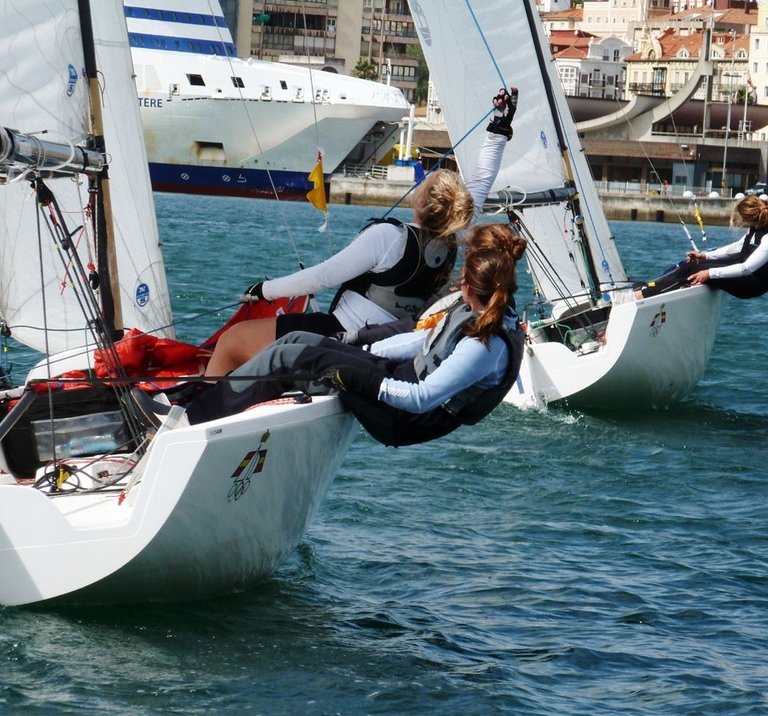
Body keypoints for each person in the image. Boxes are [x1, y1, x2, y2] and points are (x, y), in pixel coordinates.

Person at [203, 87, 519, 377]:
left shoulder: (390, 238)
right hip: (388, 344)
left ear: (422, 200)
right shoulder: (452, 234)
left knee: (232, 342)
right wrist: (499, 129)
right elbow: (479, 184)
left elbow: (323, 277)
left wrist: (264, 290)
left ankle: (197, 413)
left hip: (342, 335)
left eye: (424, 183)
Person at [184, 224, 527, 447]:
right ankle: (203, 407)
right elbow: (421, 343)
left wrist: (357, 376)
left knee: (291, 359)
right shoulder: (477, 311)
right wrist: (359, 347)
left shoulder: (486, 346)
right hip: (397, 380)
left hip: (404, 418)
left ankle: (193, 422)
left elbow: (420, 399)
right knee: (298, 342)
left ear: (469, 286)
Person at [634, 194, 768, 299]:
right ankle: (650, 287)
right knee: (693, 264)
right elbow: (739, 246)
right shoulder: (765, 219)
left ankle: (641, 296)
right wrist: (706, 256)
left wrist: (709, 273)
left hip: (752, 284)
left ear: (752, 218)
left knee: (695, 271)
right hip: (746, 273)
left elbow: (746, 268)